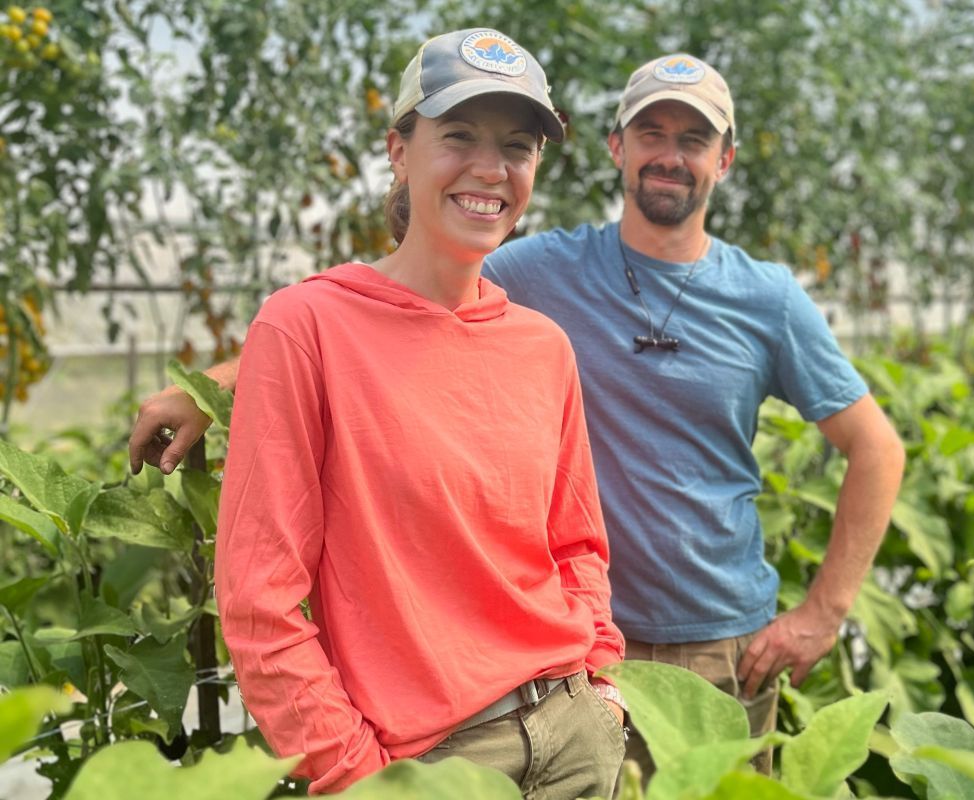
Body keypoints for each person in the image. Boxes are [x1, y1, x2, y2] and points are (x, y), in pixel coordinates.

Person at [132, 52, 904, 779]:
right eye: (651, 133)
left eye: (694, 139)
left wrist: (823, 612)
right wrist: (214, 387)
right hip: (574, 658)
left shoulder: (766, 298)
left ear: (725, 159)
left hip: (717, 644)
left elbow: (876, 448)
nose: (670, 154)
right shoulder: (544, 268)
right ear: (616, 147)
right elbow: (393, 305)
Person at [208, 28, 626, 797]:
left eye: (518, 147)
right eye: (459, 135)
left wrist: (601, 685)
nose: (491, 169)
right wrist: (355, 774)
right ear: (398, 150)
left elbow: (576, 545)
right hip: (429, 765)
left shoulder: (543, 347)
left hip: (575, 736)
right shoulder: (306, 328)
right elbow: (258, 600)